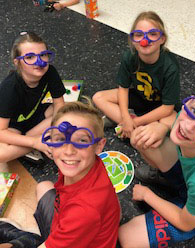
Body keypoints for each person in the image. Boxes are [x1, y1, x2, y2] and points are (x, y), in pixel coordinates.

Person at [118, 86, 195, 247]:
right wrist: (161, 127)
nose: (189, 126)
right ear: (188, 102)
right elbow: (172, 119)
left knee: (127, 236)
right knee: (142, 138)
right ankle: (176, 185)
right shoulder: (187, 120)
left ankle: (179, 190)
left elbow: (185, 223)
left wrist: (148, 195)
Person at [32, 99, 120, 247]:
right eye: (60, 139)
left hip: (78, 227)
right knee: (43, 186)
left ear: (99, 146)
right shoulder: (88, 163)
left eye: (82, 141)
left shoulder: (84, 212)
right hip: (76, 222)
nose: (68, 151)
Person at [92, 11, 180, 138]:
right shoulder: (129, 57)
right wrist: (126, 117)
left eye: (153, 34)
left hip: (161, 107)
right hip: (140, 97)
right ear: (133, 40)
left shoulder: (170, 66)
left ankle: (130, 125)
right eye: (139, 35)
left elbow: (167, 108)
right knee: (98, 97)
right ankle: (134, 126)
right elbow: (123, 88)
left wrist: (134, 122)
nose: (145, 40)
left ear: (162, 39)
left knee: (172, 123)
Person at [0, 31, 65, 168]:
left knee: (69, 112)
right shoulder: (9, 88)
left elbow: (59, 103)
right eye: (30, 57)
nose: (39, 62)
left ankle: (28, 144)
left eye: (43, 55)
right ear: (17, 62)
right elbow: (1, 132)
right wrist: (34, 142)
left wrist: (55, 130)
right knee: (2, 154)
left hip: (36, 116)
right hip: (14, 126)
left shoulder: (50, 72)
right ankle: (36, 143)